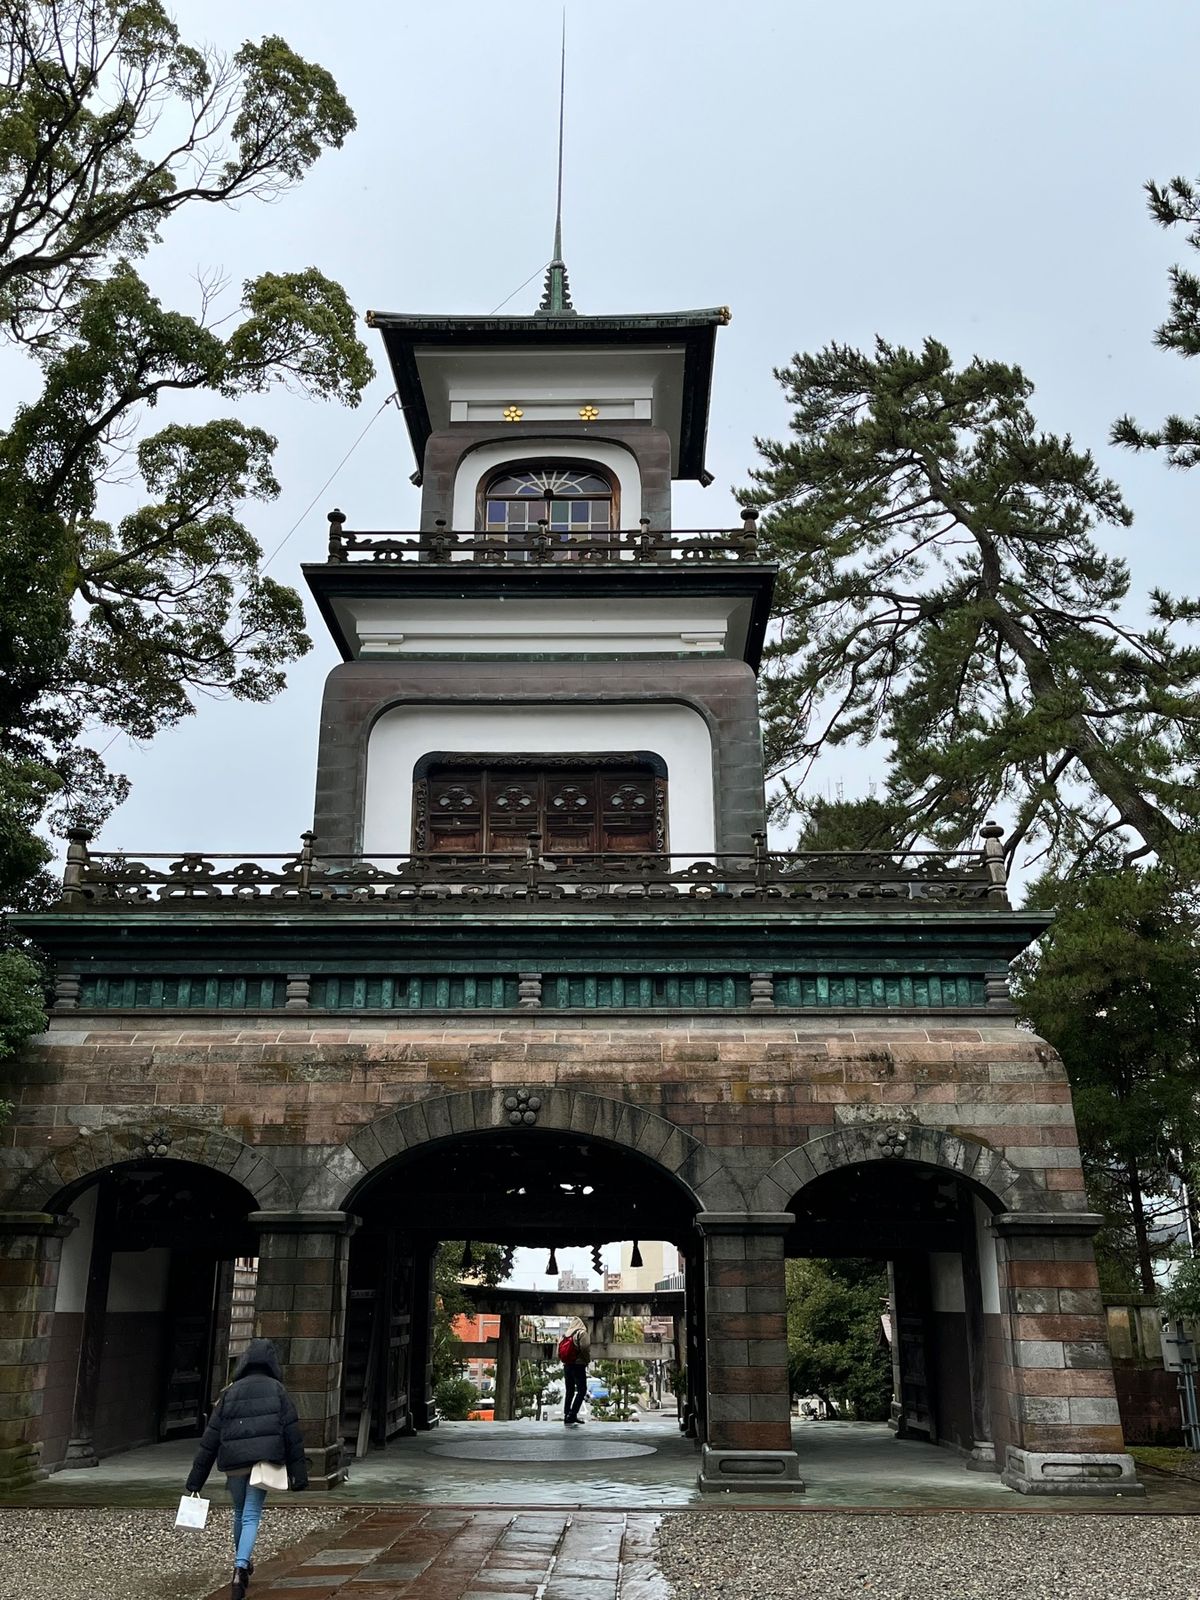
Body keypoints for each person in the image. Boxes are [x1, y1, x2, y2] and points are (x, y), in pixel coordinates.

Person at [185, 1338, 309, 1600]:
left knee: (240, 1512)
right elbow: (292, 1434)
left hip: (235, 1462)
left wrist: (196, 1480)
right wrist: (299, 1475)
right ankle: (240, 1566)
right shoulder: (277, 1390)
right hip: (263, 1462)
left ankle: (241, 1561)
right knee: (252, 1514)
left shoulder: (230, 1392)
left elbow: (210, 1439)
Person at [560, 1318, 590, 1426]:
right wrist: (587, 1360)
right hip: (578, 1365)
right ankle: (572, 1415)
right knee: (582, 1390)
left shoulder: (565, 1335)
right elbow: (585, 1348)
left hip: (567, 1365)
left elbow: (558, 1351)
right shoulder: (581, 1333)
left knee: (570, 1391)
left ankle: (567, 1414)